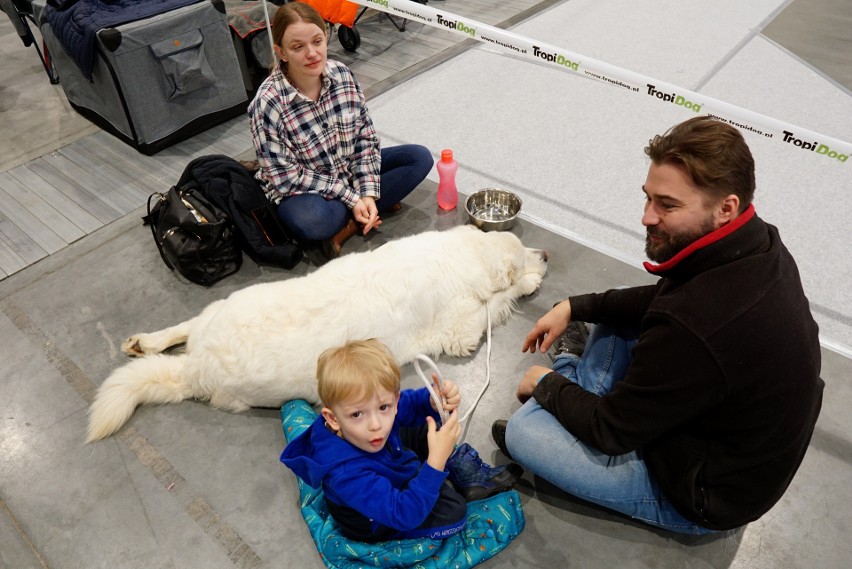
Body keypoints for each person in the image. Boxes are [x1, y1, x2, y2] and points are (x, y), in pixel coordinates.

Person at [492, 116, 824, 535]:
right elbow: (666, 299)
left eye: (667, 205)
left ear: (726, 208)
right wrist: (576, 307)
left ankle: (566, 374)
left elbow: (611, 430)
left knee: (525, 435)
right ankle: (577, 389)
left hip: (704, 493)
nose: (647, 216)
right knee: (611, 318)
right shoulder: (756, 242)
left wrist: (545, 384)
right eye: (648, 198)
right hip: (722, 423)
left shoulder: (700, 324)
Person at [281, 339, 523, 543]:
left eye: (384, 407)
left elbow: (406, 404)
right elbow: (402, 514)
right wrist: (435, 463)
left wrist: (431, 400)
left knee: (425, 421)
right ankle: (442, 470)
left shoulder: (373, 423)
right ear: (333, 420)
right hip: (376, 522)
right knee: (455, 513)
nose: (376, 424)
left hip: (385, 459)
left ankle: (451, 469)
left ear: (392, 400)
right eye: (357, 414)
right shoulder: (345, 473)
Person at [249, 2, 433, 259]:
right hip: (306, 191)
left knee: (419, 158)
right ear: (281, 52)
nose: (312, 53)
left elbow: (365, 139)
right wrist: (351, 198)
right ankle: (365, 211)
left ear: (326, 37)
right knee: (313, 221)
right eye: (298, 47)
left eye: (317, 41)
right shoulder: (267, 103)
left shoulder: (343, 75)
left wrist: (367, 191)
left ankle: (351, 222)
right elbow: (287, 179)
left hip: (346, 172)